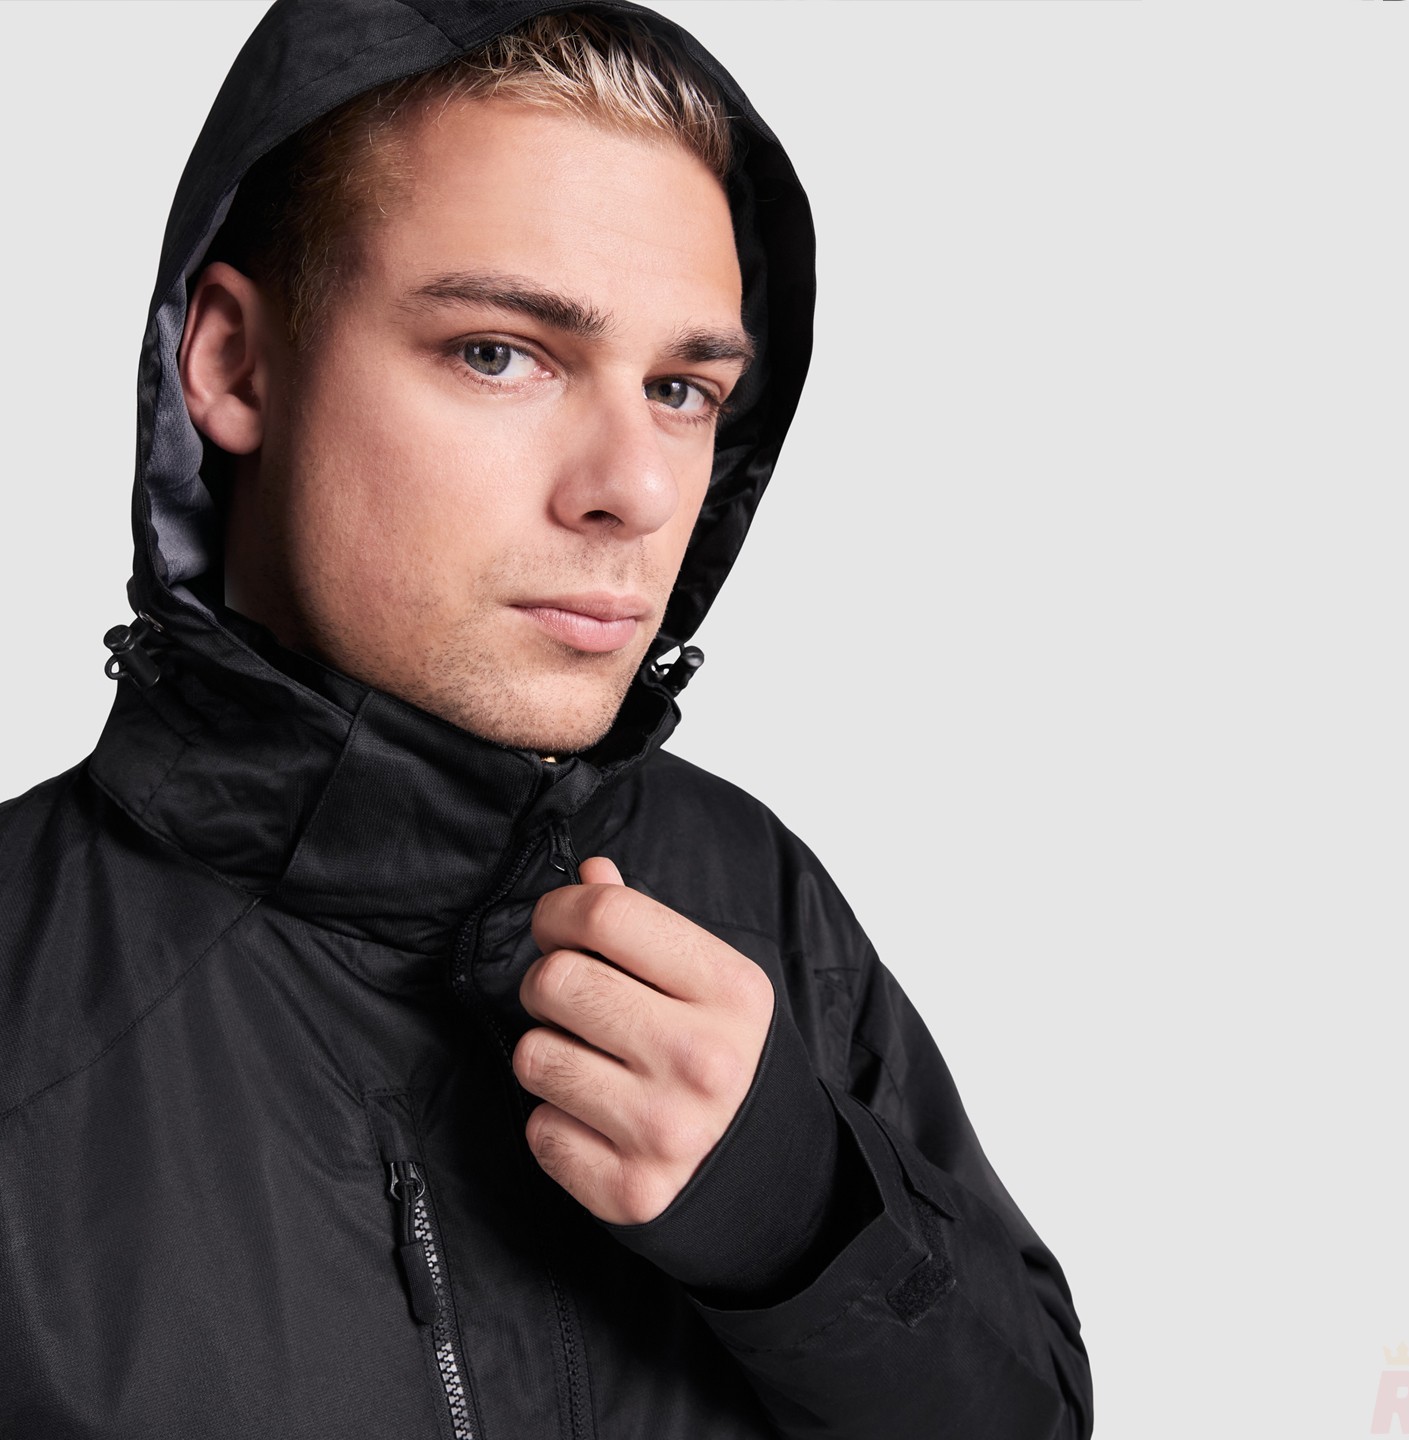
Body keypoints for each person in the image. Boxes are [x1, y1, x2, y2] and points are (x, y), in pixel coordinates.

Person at [0, 3, 1092, 1436]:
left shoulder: (755, 898)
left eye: (682, 389)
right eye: (499, 354)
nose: (633, 489)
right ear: (234, 364)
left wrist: (812, 1224)